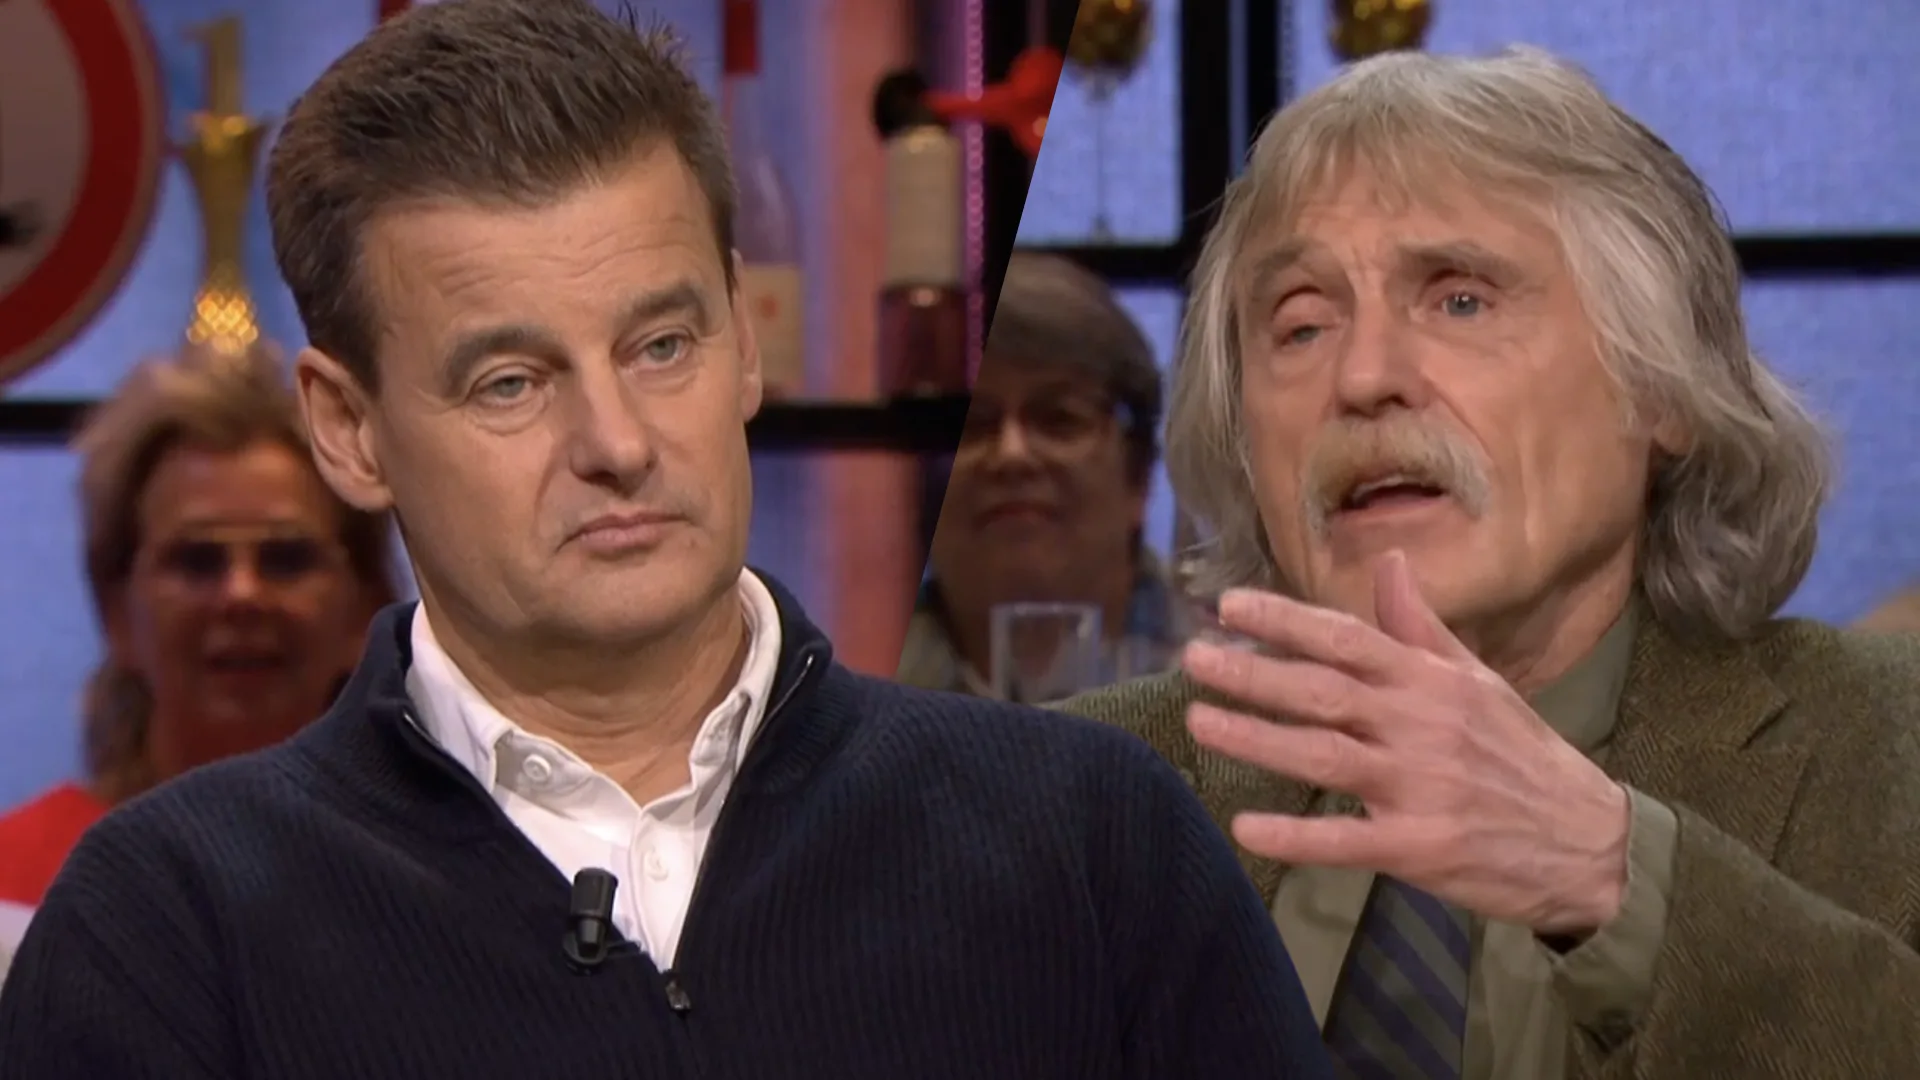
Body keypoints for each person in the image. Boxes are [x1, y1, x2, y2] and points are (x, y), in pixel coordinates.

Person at [0, 3, 1330, 1077]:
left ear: (745, 341)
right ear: (349, 431)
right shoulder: (167, 932)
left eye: (660, 346)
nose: (617, 441)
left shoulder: (1094, 844)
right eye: (510, 382)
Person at [1057, 46, 1920, 1080]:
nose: (1363, 377)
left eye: (1460, 300)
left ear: (1662, 389)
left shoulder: (1892, 747)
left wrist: (1619, 883)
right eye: (1301, 326)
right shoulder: (1073, 794)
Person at [0, 343, 395, 909]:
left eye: (286, 558)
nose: (242, 594)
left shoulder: (442, 882)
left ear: (366, 609)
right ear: (116, 611)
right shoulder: (14, 891)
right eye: (196, 560)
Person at [900, 252, 1191, 696]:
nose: (1012, 454)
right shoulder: (850, 689)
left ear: (1140, 477)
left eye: (1058, 419)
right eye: (974, 423)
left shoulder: (1240, 681)